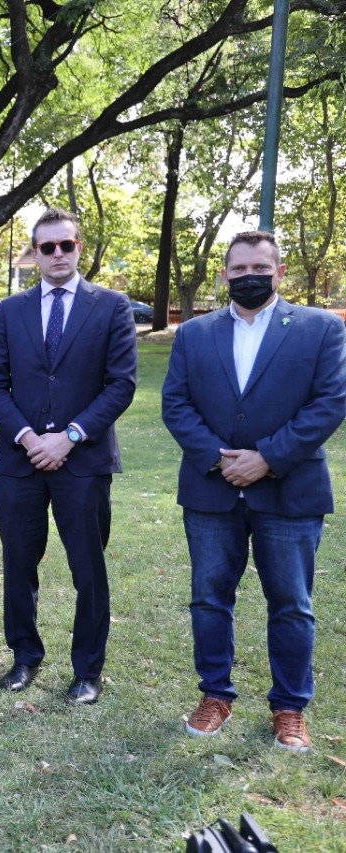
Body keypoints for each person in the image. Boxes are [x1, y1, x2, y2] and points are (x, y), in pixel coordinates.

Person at [162, 230, 346, 752]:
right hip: (211, 491)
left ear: (279, 272)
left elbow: (330, 403)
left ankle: (290, 707)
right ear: (224, 274)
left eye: (259, 268)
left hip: (290, 491)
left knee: (291, 603)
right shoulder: (195, 334)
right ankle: (215, 695)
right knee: (209, 598)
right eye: (238, 269)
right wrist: (221, 461)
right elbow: (176, 404)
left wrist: (267, 458)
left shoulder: (319, 329)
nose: (248, 277)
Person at [0, 207, 136, 704]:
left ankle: (87, 670)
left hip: (84, 462)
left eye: (65, 245)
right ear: (35, 253)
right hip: (21, 461)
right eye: (46, 247)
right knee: (19, 563)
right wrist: (30, 438)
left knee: (87, 567)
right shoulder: (9, 311)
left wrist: (69, 436)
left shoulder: (111, 307)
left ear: (79, 247)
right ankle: (24, 656)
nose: (56, 255)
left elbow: (121, 385)